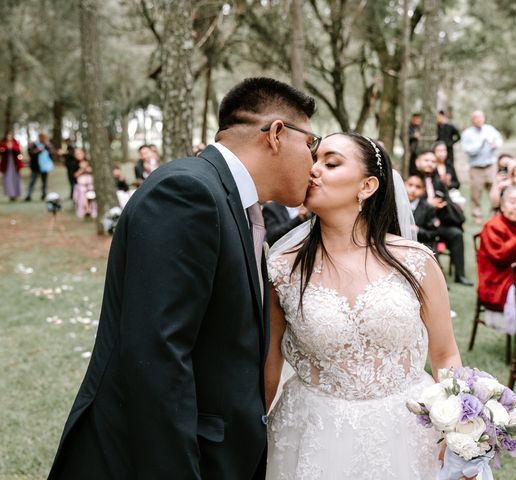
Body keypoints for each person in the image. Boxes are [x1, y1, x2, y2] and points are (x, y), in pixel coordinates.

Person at [47, 77, 318, 479]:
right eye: (311, 145)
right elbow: (156, 356)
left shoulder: (239, 206)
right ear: (277, 133)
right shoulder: (187, 192)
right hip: (153, 459)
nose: (313, 163)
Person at [265, 133, 464, 479]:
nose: (313, 170)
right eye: (314, 160)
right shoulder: (283, 269)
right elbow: (268, 364)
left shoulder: (415, 261)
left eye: (331, 163)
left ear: (368, 185)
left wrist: (459, 426)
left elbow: (445, 354)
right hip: (313, 432)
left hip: (407, 430)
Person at [477, 186, 516, 334]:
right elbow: (499, 256)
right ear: (503, 205)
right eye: (512, 202)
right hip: (498, 281)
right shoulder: (492, 226)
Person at [415, 150, 472, 285]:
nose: (430, 164)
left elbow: (447, 200)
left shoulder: (439, 182)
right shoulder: (413, 180)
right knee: (429, 239)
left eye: (433, 161)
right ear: (418, 162)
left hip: (440, 222)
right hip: (422, 225)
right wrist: (428, 205)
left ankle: (460, 274)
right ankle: (439, 279)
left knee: (456, 234)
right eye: (426, 160)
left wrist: (443, 204)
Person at [461, 110, 503, 224]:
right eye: (476, 118)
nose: (478, 120)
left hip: (491, 166)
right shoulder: (467, 133)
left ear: (484, 118)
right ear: (472, 120)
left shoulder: (490, 129)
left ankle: (497, 213)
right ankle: (477, 215)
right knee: (476, 193)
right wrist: (481, 143)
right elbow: (468, 151)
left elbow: (499, 140)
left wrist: (495, 145)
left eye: (480, 117)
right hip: (476, 168)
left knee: (495, 190)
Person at [406, 172, 438, 251]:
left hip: (420, 245)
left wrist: (418, 230)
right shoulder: (396, 204)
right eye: (410, 185)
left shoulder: (428, 208)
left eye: (418, 187)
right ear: (404, 184)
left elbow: (433, 234)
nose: (413, 190)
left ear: (423, 190)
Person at [25, 133, 54, 201]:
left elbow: (51, 153)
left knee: (44, 182)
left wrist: (48, 148)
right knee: (32, 181)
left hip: (44, 167)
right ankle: (29, 195)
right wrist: (38, 151)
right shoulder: (34, 144)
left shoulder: (47, 145)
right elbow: (30, 153)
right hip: (35, 167)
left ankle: (44, 194)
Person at [0, 131, 23, 201]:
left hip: (15, 165)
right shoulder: (2, 143)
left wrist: (12, 147)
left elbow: (18, 151)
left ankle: (16, 194)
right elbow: (0, 151)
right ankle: (10, 194)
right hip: (6, 165)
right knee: (7, 180)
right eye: (8, 135)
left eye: (10, 135)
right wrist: (6, 147)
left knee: (16, 179)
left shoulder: (15, 143)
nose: (9, 137)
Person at [72, 149, 97, 218]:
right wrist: (81, 169)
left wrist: (87, 168)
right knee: (82, 191)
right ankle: (86, 209)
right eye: (77, 154)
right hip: (80, 185)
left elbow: (93, 171)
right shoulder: (74, 164)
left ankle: (91, 209)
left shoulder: (89, 162)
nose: (79, 155)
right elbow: (74, 176)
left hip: (90, 183)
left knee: (91, 190)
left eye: (80, 153)